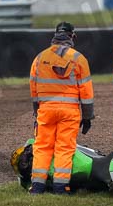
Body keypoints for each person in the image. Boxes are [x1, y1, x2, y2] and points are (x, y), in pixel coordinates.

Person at [28, 22, 95, 195]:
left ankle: (37, 186)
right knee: (64, 147)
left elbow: (33, 88)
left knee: (42, 146)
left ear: (55, 35)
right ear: (72, 36)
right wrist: (87, 116)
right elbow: (86, 90)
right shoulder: (79, 58)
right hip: (69, 110)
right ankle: (61, 186)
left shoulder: (40, 58)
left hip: (46, 109)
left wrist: (37, 110)